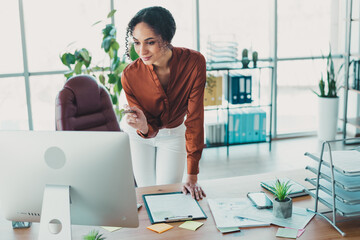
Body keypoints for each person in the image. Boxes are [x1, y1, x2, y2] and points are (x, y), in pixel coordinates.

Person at [120, 6, 206, 200]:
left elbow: (195, 119)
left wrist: (192, 175)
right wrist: (142, 125)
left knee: (168, 194)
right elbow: (146, 128)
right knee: (148, 194)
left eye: (150, 42)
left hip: (174, 135)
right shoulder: (130, 75)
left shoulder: (194, 63)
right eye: (136, 43)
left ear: (166, 39)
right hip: (139, 137)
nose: (142, 51)